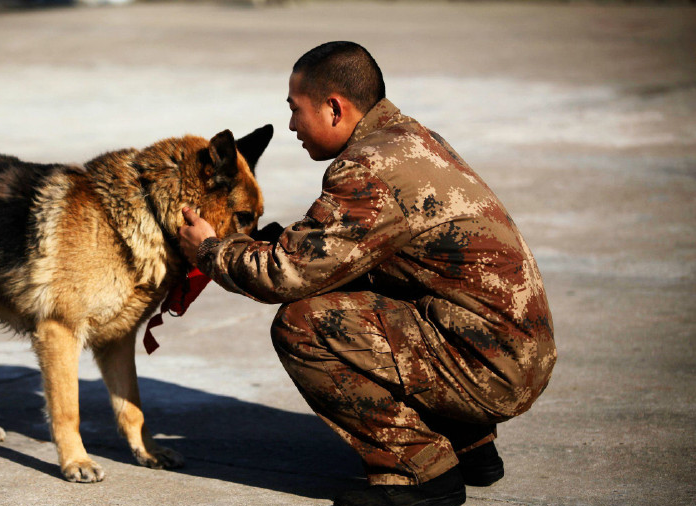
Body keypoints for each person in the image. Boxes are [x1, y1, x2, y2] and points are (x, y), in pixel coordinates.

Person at [178, 41, 556, 506]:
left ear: (335, 108)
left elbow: (282, 275)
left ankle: (420, 474)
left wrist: (210, 249)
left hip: (488, 368)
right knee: (357, 284)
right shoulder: (409, 138)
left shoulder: (368, 169)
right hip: (508, 350)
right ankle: (469, 446)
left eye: (296, 111)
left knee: (304, 324)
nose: (293, 125)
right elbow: (337, 252)